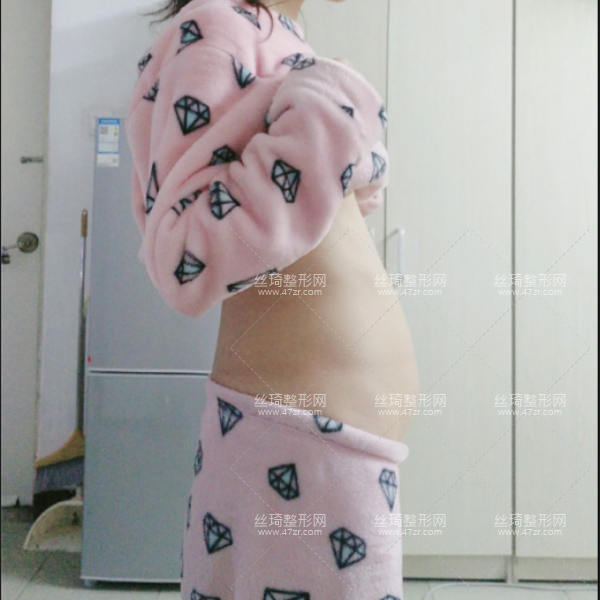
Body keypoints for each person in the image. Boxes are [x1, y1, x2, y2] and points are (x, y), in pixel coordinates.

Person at [126, 0, 419, 597]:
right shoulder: (216, 26)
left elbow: (304, 209)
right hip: (296, 435)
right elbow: (183, 254)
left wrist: (331, 116)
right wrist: (326, 105)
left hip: (323, 438)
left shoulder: (278, 34)